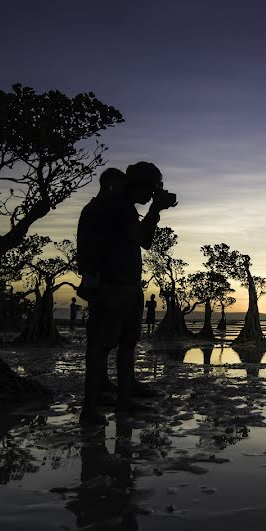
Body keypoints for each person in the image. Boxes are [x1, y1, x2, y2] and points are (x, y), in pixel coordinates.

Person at [76, 163, 177, 425]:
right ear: (137, 184)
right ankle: (92, 409)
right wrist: (156, 210)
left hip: (125, 286)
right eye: (151, 189)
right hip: (114, 286)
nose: (150, 196)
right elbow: (142, 238)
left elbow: (141, 240)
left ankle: (120, 404)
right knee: (102, 348)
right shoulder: (117, 206)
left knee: (124, 347)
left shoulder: (118, 207)